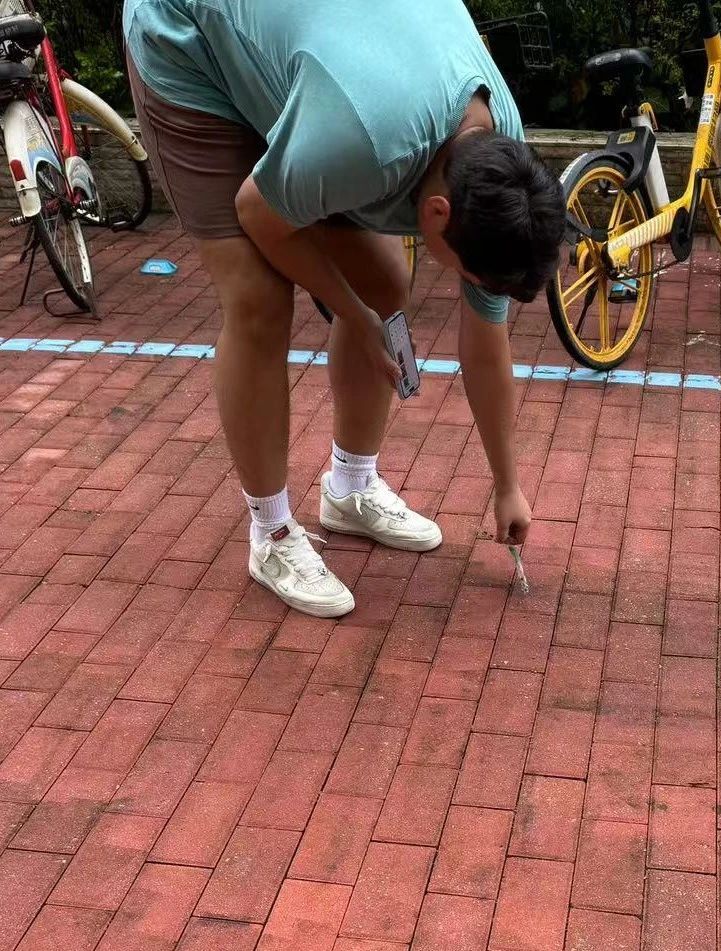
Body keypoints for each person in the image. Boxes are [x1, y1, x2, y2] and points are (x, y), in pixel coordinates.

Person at [123, 0, 566, 618]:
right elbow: (258, 213)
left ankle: (350, 488)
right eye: (467, 273)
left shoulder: (498, 156)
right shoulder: (366, 145)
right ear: (437, 211)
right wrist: (354, 316)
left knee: (385, 281)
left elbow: (487, 340)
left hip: (328, 80)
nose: (470, 285)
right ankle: (271, 533)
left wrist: (507, 484)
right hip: (189, 37)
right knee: (259, 300)